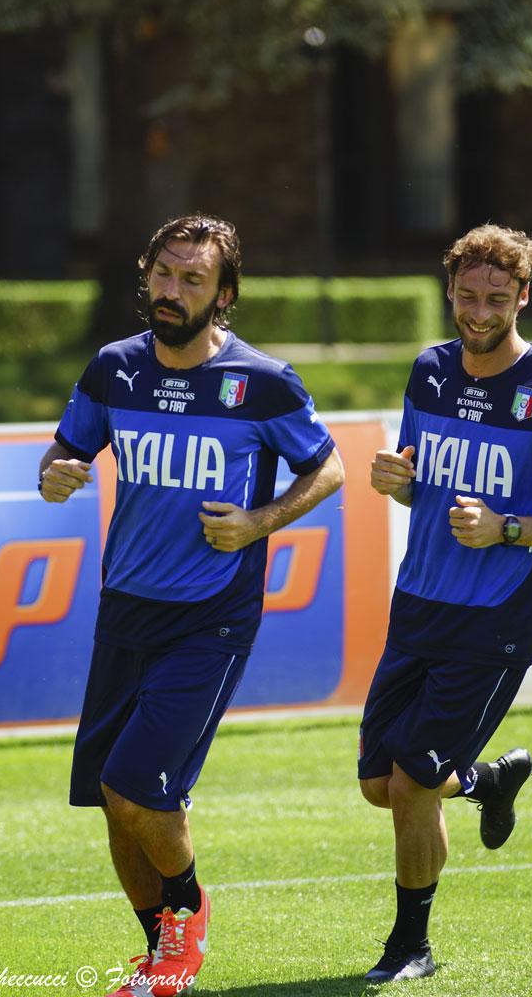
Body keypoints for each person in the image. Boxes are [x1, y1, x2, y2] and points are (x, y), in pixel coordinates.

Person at [38, 213, 344, 997]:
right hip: (124, 610)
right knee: (112, 798)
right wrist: (57, 472)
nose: (172, 292)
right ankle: (161, 958)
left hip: (211, 615)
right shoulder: (114, 368)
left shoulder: (263, 383)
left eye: (193, 280)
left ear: (225, 293)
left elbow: (330, 468)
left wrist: (259, 522)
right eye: (164, 275)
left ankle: (188, 915)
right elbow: (65, 450)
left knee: (141, 784)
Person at [359, 224, 532, 982]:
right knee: (381, 785)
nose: (477, 311)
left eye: (495, 298)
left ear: (523, 297)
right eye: (467, 295)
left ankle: (411, 949)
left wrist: (508, 529)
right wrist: (395, 482)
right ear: (450, 291)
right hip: (418, 604)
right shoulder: (429, 371)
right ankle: (485, 782)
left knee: (409, 783)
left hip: (495, 619)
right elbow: (417, 480)